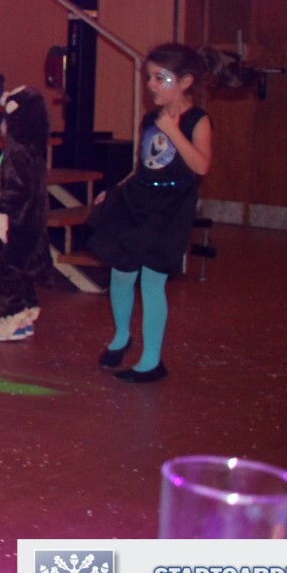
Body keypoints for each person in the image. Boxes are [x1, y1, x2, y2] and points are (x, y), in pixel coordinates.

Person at [88, 43, 216, 383]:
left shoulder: (198, 120)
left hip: (171, 208)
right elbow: (144, 164)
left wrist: (173, 131)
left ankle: (151, 361)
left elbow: (201, 165)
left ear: (185, 82)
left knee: (152, 279)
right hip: (139, 199)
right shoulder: (151, 118)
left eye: (160, 78)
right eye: (149, 78)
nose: (151, 85)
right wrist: (116, 189)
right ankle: (121, 336)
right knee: (121, 271)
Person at [0, 86, 51, 342]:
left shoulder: (15, 155)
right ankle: (26, 313)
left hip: (14, 223)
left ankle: (11, 316)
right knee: (23, 270)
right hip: (31, 223)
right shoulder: (33, 153)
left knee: (3, 270)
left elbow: (15, 190)